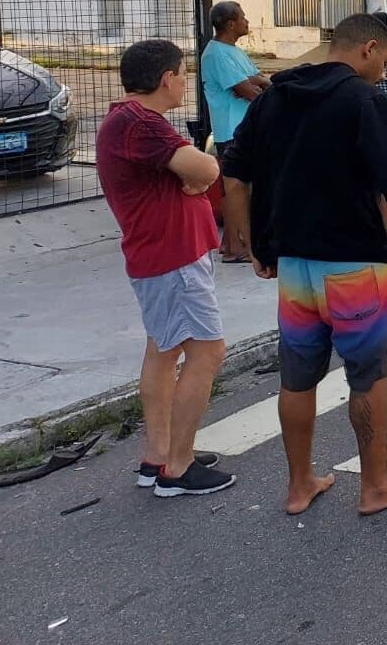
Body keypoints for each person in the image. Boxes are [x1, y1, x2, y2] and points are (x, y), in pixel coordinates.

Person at [221, 13, 387, 516]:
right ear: (368, 49)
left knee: (297, 378)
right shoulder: (363, 101)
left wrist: (256, 244)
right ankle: (375, 487)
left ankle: (300, 484)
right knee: (368, 377)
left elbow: (235, 173)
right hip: (354, 265)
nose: (385, 72)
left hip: (294, 267)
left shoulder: (273, 99)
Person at [95, 39, 235, 498]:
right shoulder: (142, 125)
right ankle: (178, 466)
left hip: (162, 256)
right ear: (165, 79)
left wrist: (192, 179)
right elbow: (206, 167)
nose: (183, 83)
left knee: (164, 351)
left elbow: (189, 174)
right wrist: (197, 177)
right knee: (207, 351)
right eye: (181, 74)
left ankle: (159, 455)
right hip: (172, 260)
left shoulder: (127, 122)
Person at [201, 1, 269, 261]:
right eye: (242, 17)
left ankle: (236, 243)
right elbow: (249, 91)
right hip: (232, 131)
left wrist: (258, 81)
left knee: (245, 189)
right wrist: (257, 82)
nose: (247, 21)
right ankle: (234, 247)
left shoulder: (233, 51)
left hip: (244, 128)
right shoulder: (217, 54)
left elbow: (257, 78)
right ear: (230, 24)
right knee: (236, 190)